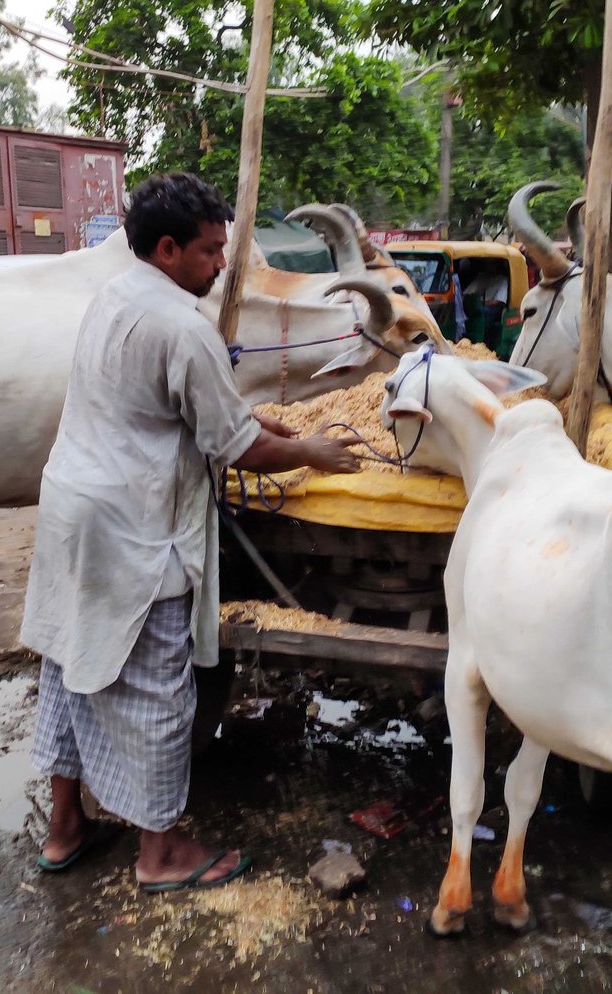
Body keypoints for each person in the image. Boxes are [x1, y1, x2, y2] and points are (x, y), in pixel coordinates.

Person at [20, 172, 363, 892]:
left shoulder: (115, 295)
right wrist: (313, 451)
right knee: (154, 686)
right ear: (169, 248)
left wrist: (250, 421)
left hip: (73, 507)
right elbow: (241, 451)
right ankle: (162, 853)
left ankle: (64, 828)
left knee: (68, 665)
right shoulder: (184, 325)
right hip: (133, 527)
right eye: (209, 252)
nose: (218, 266)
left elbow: (167, 407)